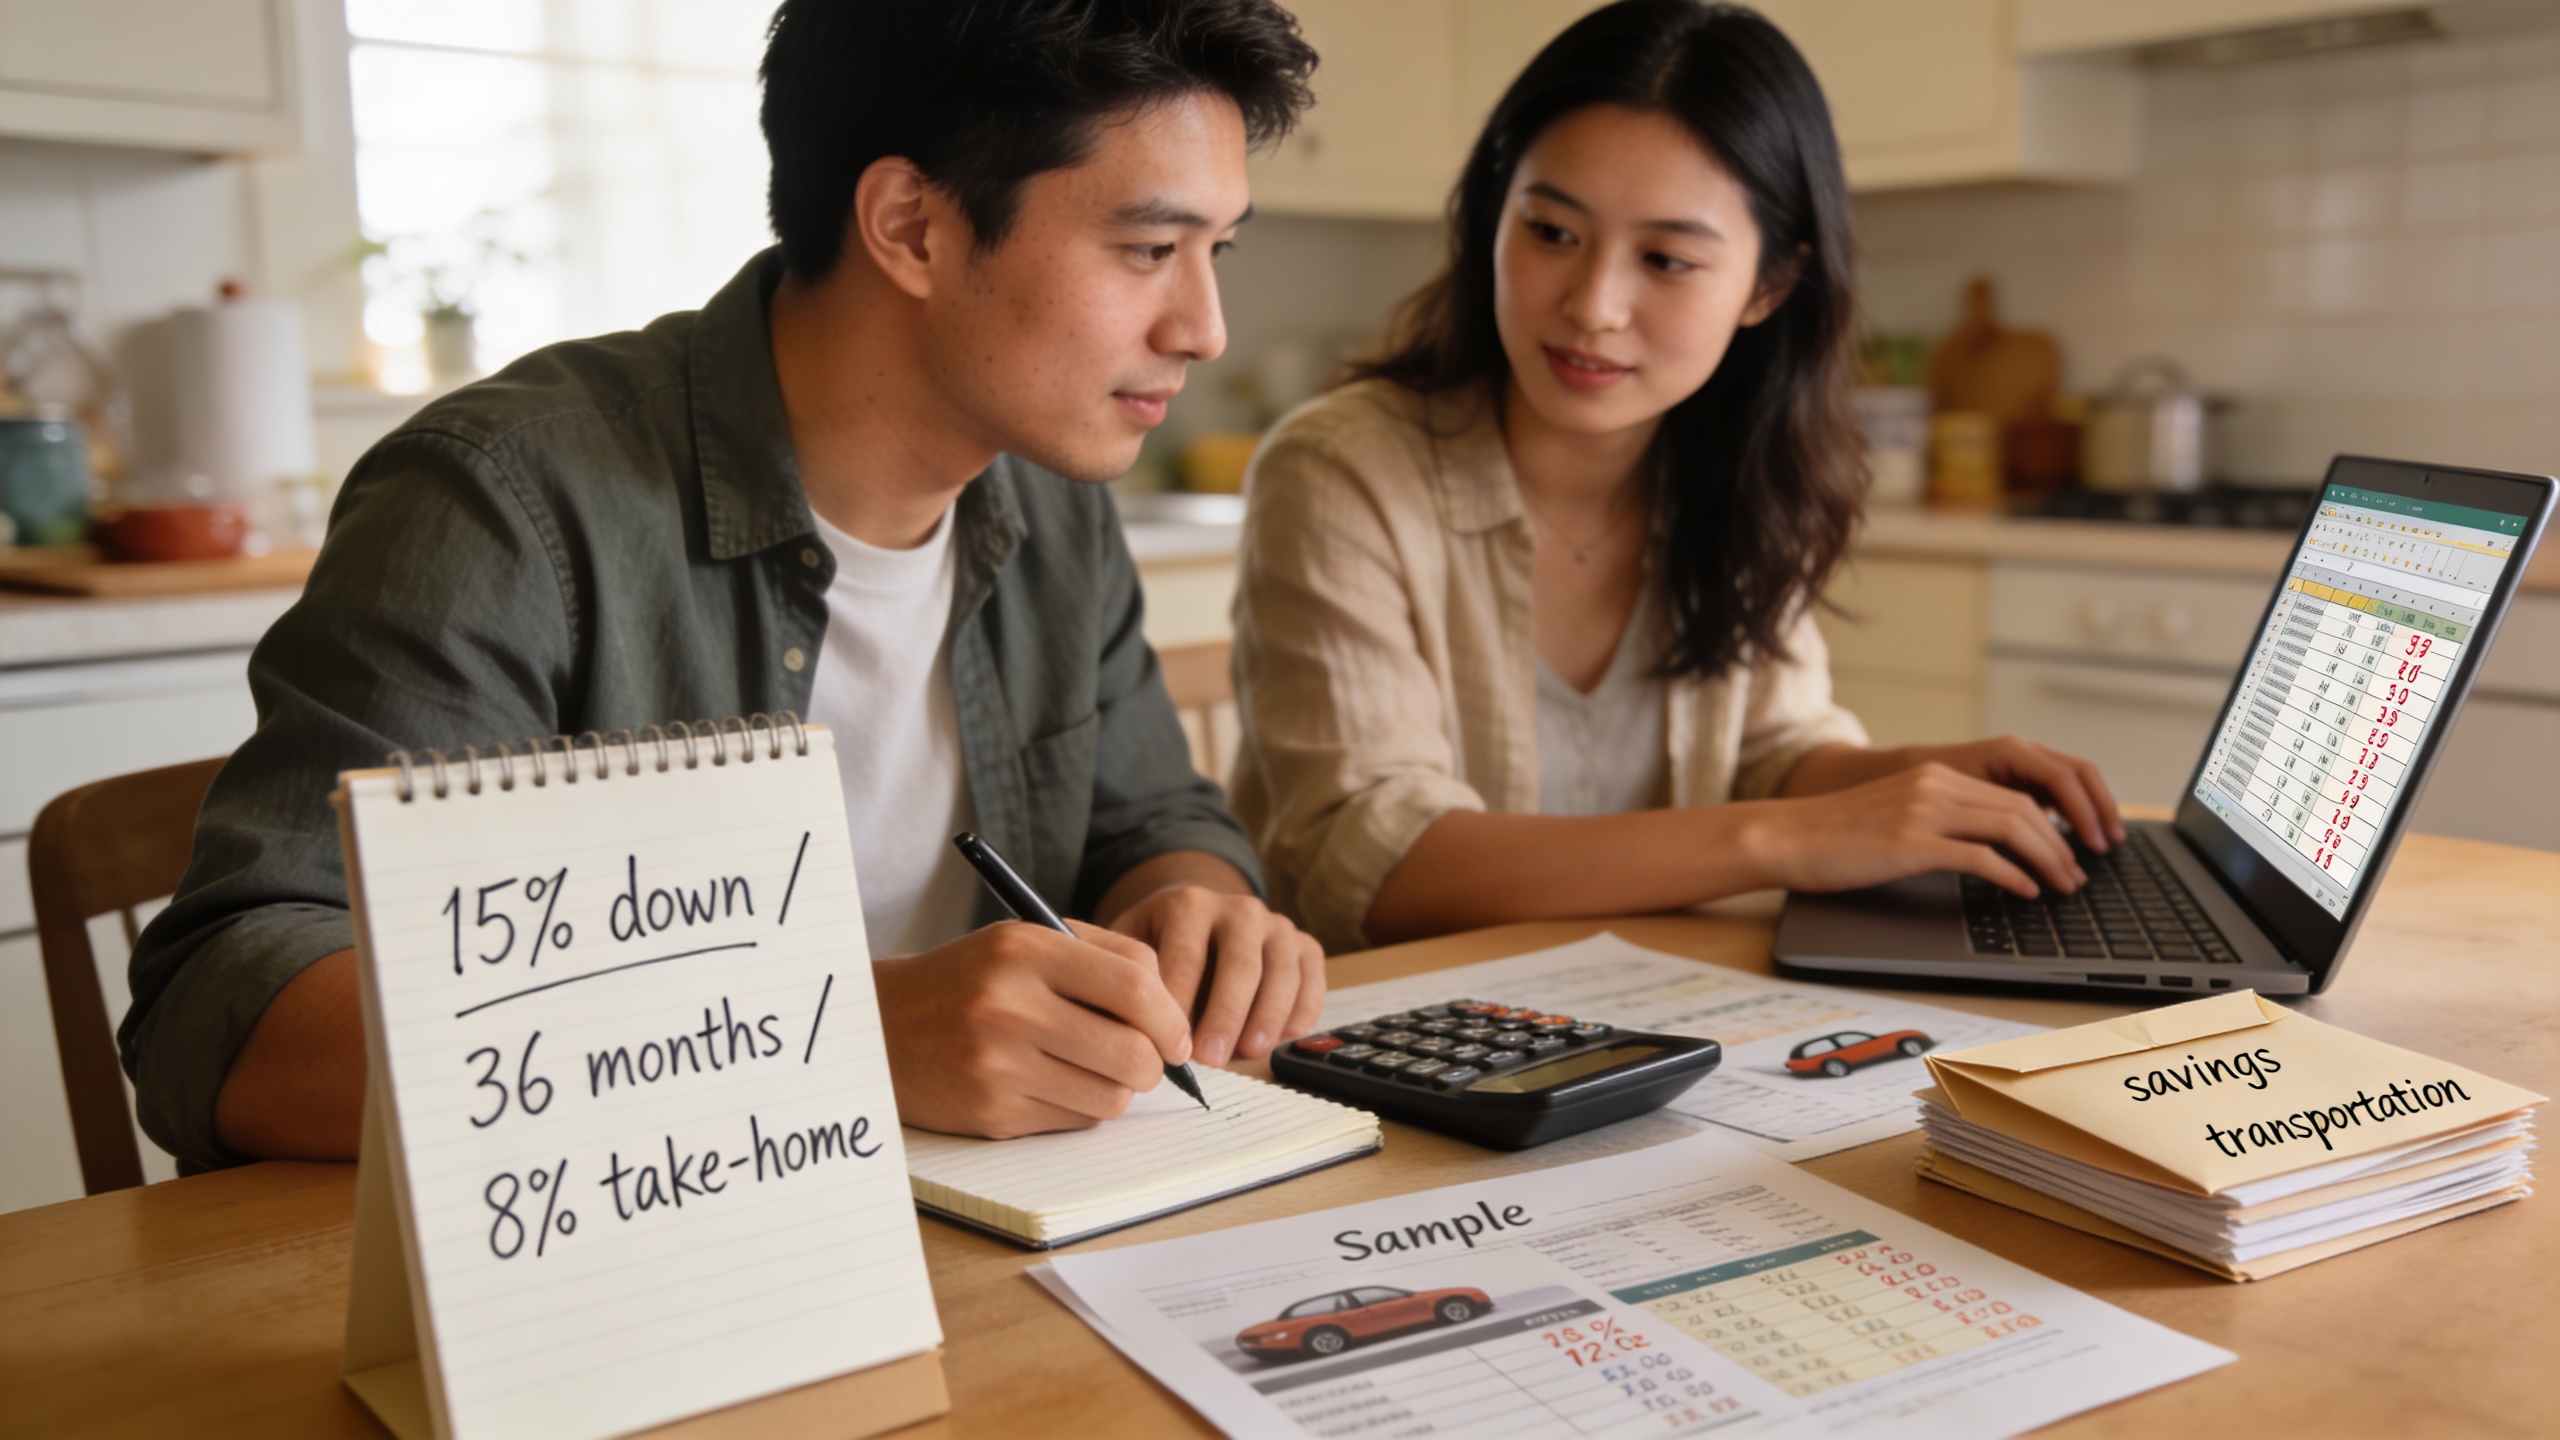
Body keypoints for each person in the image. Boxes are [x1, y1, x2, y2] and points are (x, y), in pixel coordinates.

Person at [121, 0, 1328, 1171]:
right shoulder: (505, 503)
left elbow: (1149, 821)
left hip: (983, 1222)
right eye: (1149, 250)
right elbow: (229, 1009)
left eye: (1215, 251)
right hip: (625, 1275)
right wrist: (840, 1038)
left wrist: (1191, 904)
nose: (1206, 328)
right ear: (911, 225)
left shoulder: (1053, 497)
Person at [1228, 0, 2124, 957]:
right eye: (1552, 232)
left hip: (1648, 1026)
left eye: (1666, 258)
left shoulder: (1740, 470)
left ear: (1770, 288)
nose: (1593, 306)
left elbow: (1771, 754)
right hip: (1385, 1039)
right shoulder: (1340, 470)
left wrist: (1918, 782)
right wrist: (1791, 839)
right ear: (1496, 216)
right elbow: (1378, 867)